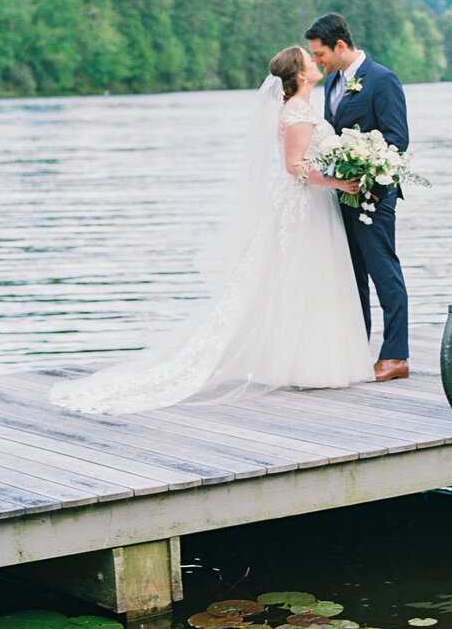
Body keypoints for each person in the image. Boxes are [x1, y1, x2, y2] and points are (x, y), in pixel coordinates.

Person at [49, 45, 373, 415]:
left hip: (311, 203)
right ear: (300, 74)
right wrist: (336, 181)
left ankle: (309, 361)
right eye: (309, 60)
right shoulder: (297, 111)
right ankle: (307, 365)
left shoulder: (300, 107)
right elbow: (294, 166)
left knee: (305, 280)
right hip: (304, 205)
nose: (316, 63)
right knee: (301, 278)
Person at [306, 13, 411, 382]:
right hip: (341, 197)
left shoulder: (382, 79)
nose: (317, 61)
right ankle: (355, 351)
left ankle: (396, 356)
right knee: (352, 278)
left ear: (339, 45)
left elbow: (397, 140)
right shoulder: (332, 82)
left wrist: (368, 177)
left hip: (374, 197)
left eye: (320, 53)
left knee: (384, 273)